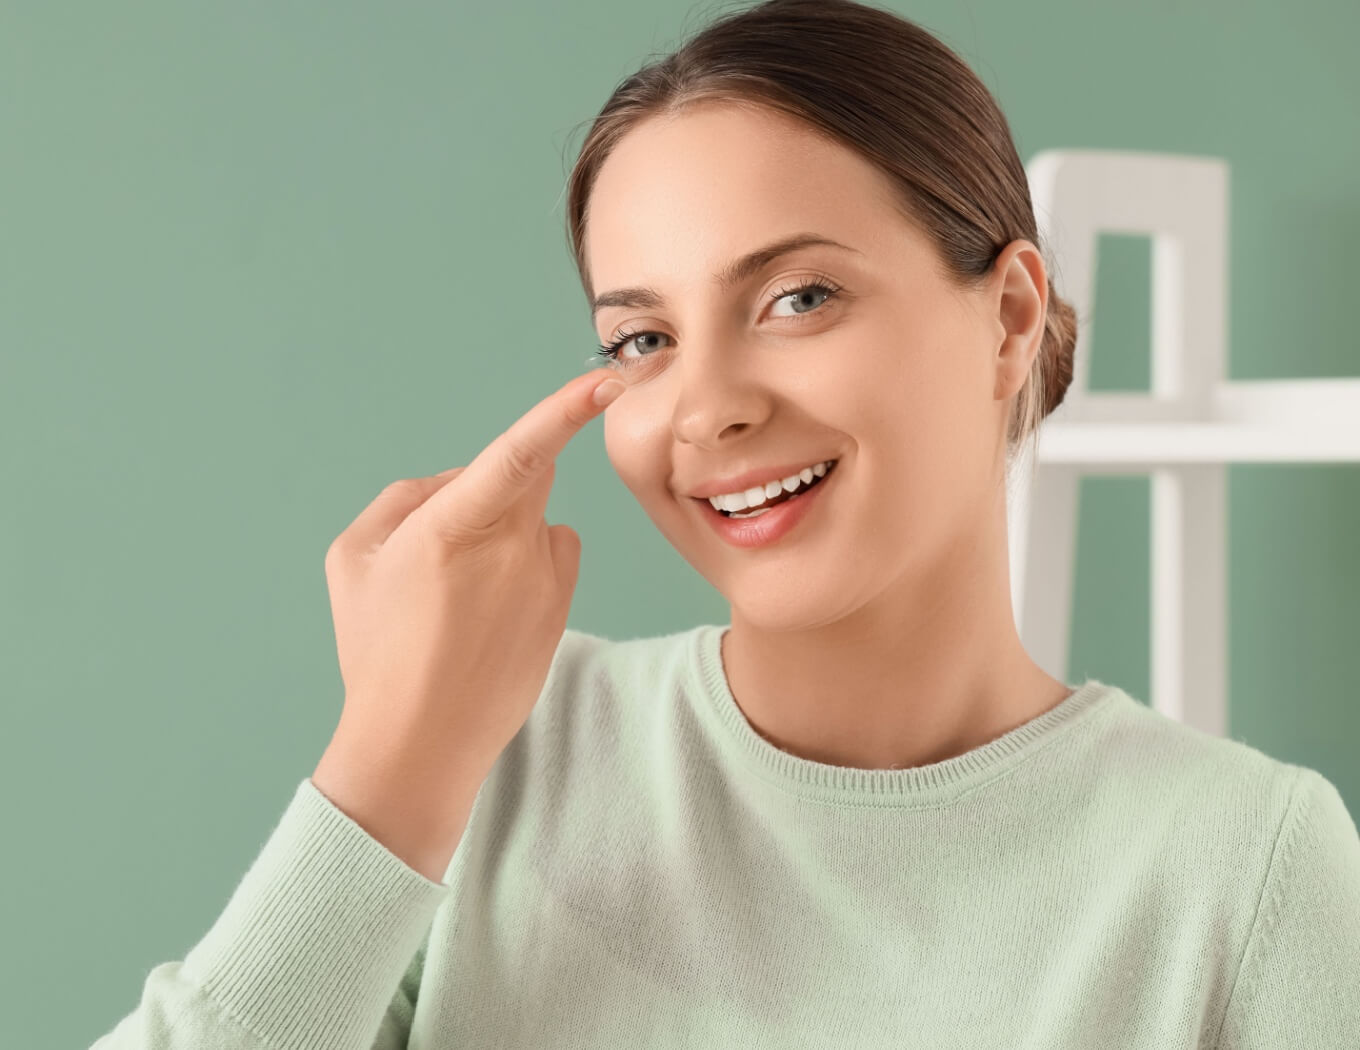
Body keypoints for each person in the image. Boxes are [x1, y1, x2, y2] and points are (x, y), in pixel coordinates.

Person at [89, 1, 1360, 1047]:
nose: (707, 408)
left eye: (799, 297)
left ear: (1010, 318)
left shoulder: (1242, 868)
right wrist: (388, 763)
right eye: (641, 339)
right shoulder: (497, 753)